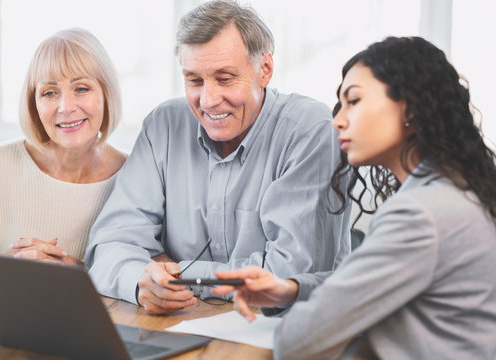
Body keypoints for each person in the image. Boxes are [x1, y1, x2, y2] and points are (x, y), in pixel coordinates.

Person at [213, 36, 496, 359]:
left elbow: (300, 339)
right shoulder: (454, 190)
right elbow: (363, 284)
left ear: (411, 108)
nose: (337, 120)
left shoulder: (421, 213)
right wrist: (291, 290)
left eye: (354, 101)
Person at [85, 0, 350, 315]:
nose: (208, 100)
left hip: (285, 329)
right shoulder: (164, 125)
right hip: (180, 323)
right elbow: (107, 247)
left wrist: (179, 275)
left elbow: (289, 275)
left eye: (224, 79)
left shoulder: (310, 130)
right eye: (194, 80)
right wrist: (142, 280)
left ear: (264, 69)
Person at [0, 28, 126, 278]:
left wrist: (77, 271)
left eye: (81, 89)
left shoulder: (134, 177)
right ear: (34, 104)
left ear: (107, 93)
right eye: (49, 93)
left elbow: (150, 270)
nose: (66, 107)